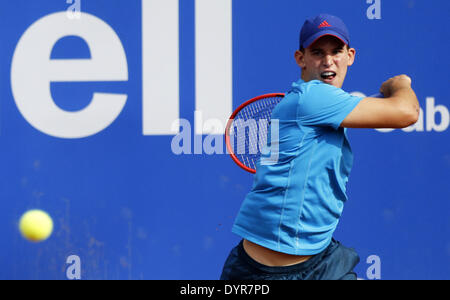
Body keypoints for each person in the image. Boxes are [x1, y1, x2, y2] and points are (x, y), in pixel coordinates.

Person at [220, 13, 419, 280]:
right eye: (317, 52)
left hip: (319, 258)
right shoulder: (314, 98)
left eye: (336, 51)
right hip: (266, 273)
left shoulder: (316, 104)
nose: (328, 61)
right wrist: (400, 84)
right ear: (300, 59)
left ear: (350, 56)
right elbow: (407, 112)